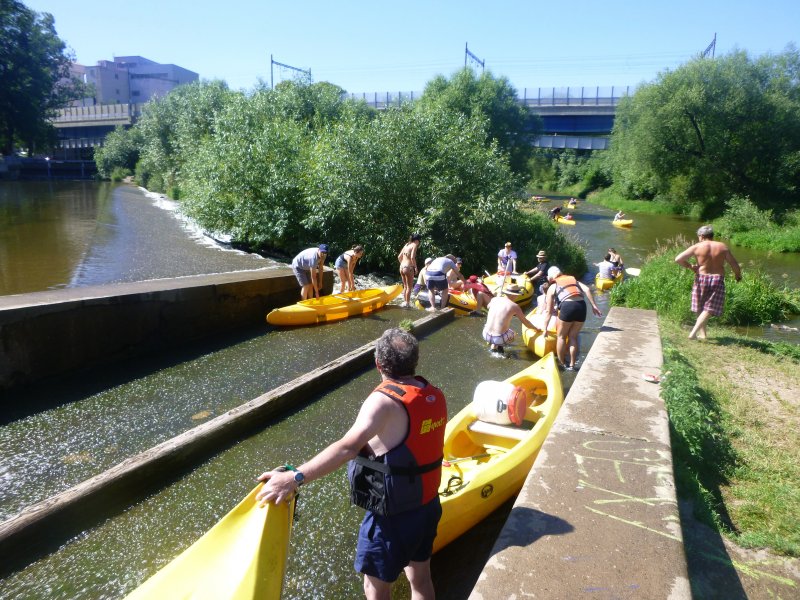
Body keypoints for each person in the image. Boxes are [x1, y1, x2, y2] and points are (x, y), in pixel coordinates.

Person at [256, 328, 446, 600]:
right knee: (420, 578)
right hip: (427, 507)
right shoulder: (434, 394)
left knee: (375, 589)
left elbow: (347, 447)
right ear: (413, 362)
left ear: (378, 362)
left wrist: (294, 477)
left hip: (392, 517)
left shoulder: (384, 402)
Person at [674, 225, 742, 340]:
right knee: (709, 308)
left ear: (701, 236)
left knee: (701, 307)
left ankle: (699, 334)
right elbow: (734, 264)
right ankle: (697, 333)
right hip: (717, 279)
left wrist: (690, 266)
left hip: (701, 278)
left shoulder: (697, 247)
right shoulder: (722, 247)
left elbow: (678, 259)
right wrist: (737, 275)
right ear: (711, 235)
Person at [543, 266, 602, 370]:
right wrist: (594, 306)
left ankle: (562, 363)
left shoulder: (553, 286)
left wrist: (545, 328)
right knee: (573, 337)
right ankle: (572, 364)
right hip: (581, 306)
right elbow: (587, 289)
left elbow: (548, 311)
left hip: (568, 307)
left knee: (561, 337)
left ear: (551, 277)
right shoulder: (573, 280)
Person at [397, 234, 421, 308]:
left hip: (401, 267)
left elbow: (399, 257)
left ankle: (405, 302)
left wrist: (403, 265)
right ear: (417, 240)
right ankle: (407, 304)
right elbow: (412, 257)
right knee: (409, 287)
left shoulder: (406, 245)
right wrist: (415, 268)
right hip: (408, 267)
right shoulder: (414, 245)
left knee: (405, 286)